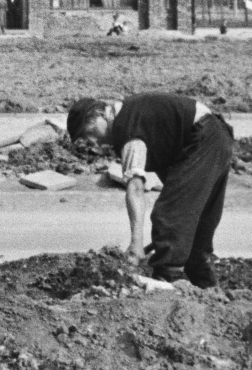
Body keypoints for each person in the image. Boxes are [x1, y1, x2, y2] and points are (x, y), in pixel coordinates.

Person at [66, 93, 232, 288]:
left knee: (168, 215)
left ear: (99, 114)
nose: (93, 141)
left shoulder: (126, 129)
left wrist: (136, 244)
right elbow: (172, 169)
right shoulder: (136, 117)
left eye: (89, 132)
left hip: (203, 138)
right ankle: (207, 290)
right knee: (196, 224)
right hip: (217, 137)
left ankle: (168, 280)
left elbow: (135, 188)